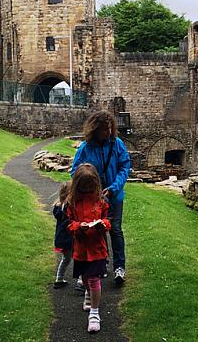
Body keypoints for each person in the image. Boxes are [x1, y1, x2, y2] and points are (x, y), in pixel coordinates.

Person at [70, 110, 131, 285]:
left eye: (110, 128)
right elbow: (76, 171)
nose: (109, 132)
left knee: (116, 230)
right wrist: (91, 189)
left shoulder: (117, 144)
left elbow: (124, 166)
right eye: (105, 129)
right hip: (92, 199)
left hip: (114, 195)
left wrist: (113, 188)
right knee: (96, 230)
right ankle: (100, 263)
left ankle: (119, 267)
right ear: (95, 129)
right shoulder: (85, 148)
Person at [67, 163, 111, 333]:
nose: (87, 190)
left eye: (90, 187)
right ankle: (88, 293)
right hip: (81, 249)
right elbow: (68, 224)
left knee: (93, 279)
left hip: (97, 249)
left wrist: (103, 225)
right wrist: (79, 226)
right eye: (84, 187)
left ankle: (94, 313)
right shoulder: (72, 203)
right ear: (77, 185)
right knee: (85, 278)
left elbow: (107, 219)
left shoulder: (101, 201)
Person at [52, 181, 73, 288]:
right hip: (68, 239)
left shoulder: (58, 207)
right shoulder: (67, 207)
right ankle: (81, 280)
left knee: (66, 259)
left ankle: (59, 279)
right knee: (77, 258)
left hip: (60, 239)